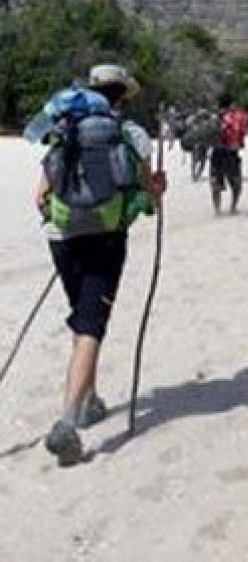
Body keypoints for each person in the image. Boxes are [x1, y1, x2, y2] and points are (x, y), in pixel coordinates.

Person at [33, 64, 166, 467]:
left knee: (82, 317)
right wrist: (156, 188)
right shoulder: (130, 133)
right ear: (123, 95)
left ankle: (88, 401)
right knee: (92, 324)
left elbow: (40, 195)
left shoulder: (65, 128)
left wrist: (68, 216)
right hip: (106, 238)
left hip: (61, 238)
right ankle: (67, 423)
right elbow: (149, 191)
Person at [210, 93, 248, 215]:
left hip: (216, 153)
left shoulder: (213, 116)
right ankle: (233, 207)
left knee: (215, 182)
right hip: (231, 153)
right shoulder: (236, 116)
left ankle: (217, 209)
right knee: (236, 183)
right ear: (231, 103)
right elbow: (240, 132)